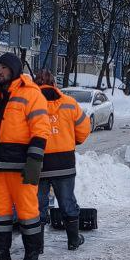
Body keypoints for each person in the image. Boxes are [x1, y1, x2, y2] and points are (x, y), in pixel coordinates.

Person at [0, 53, 51, 260]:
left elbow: (41, 130)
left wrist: (34, 162)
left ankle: (32, 253)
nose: (0, 72)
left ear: (14, 70)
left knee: (28, 213)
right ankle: (0, 252)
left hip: (21, 168)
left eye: (4, 68)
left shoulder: (32, 95)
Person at [32, 69, 92, 249]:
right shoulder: (70, 103)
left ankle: (38, 246)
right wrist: (71, 140)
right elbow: (83, 129)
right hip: (64, 164)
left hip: (38, 164)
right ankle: (73, 240)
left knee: (38, 206)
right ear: (54, 84)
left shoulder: (30, 105)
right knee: (67, 202)